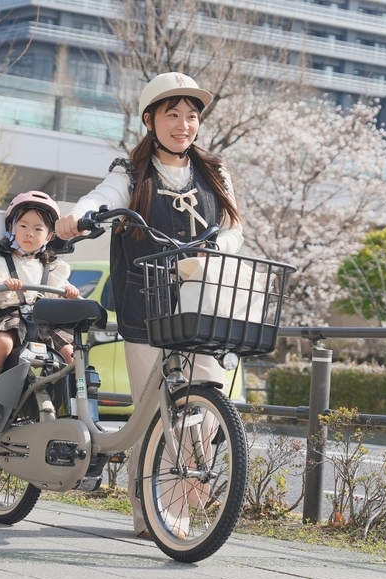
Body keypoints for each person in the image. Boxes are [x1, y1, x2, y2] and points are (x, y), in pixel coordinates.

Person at [56, 72, 243, 539]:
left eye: (191, 115)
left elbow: (233, 227)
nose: (184, 124)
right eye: (173, 114)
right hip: (146, 305)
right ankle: (152, 514)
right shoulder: (131, 172)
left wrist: (216, 249)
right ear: (150, 120)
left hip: (201, 304)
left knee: (207, 400)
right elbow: (102, 199)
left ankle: (184, 491)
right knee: (151, 412)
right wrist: (78, 218)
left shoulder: (214, 173)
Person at [0, 191, 80, 413]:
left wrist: (67, 292)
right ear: (12, 228)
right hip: (9, 317)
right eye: (23, 226)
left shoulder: (52, 267)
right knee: (3, 343)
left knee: (73, 353)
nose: (29, 234)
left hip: (42, 321)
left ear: (49, 236)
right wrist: (4, 282)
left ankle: (73, 400)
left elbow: (57, 292)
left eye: (38, 229)